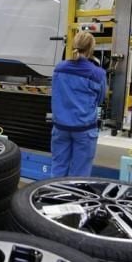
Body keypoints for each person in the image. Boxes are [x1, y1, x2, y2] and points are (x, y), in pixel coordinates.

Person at [50, 31, 107, 177]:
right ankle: (73, 198)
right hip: (84, 131)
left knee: (58, 167)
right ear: (91, 49)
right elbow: (100, 100)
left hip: (60, 128)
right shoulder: (97, 74)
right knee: (79, 175)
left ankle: (54, 197)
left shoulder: (59, 69)